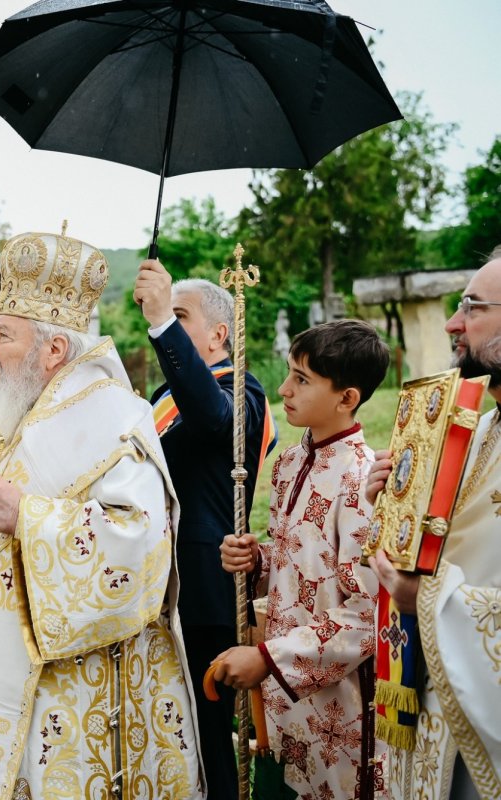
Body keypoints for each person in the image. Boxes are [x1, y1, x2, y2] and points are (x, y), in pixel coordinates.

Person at [0, 231, 203, 799]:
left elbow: (138, 544)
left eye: (3, 336)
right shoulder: (28, 413)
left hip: (81, 691)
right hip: (17, 674)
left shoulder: (114, 417)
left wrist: (27, 516)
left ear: (52, 351)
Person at [218, 319, 391, 800]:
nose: (284, 389)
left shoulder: (361, 482)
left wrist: (270, 660)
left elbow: (364, 616)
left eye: (302, 379)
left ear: (347, 397)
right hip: (283, 695)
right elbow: (300, 560)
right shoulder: (291, 462)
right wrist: (257, 560)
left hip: (338, 704)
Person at [133, 259, 273, 798]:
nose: (166, 317)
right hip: (154, 579)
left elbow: (214, 419)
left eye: (182, 314)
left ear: (219, 334)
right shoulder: (160, 399)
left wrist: (162, 322)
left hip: (206, 584)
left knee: (209, 734)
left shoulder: (244, 391)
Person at [366, 248, 501, 799]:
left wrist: (424, 597)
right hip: (438, 709)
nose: (452, 322)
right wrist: (395, 499)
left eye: (472, 306)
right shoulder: (480, 428)